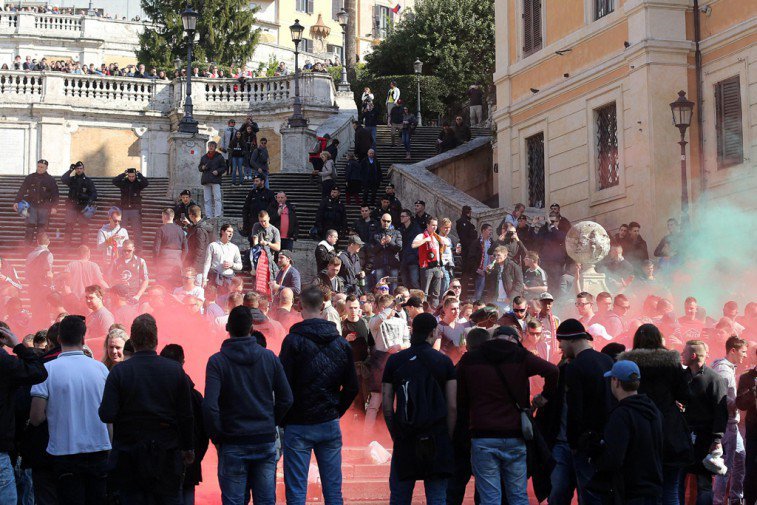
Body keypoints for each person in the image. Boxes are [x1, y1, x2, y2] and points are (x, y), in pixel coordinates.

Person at [98, 314, 194, 504]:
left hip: (129, 456)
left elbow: (106, 414)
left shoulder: (119, 372)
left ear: (132, 340)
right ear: (156, 340)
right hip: (166, 455)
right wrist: (187, 448)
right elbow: (186, 415)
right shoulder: (175, 371)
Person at [457, 325, 558, 505]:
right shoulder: (519, 355)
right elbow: (553, 371)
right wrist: (544, 397)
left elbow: (459, 397)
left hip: (482, 434)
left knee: (490, 497)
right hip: (515, 434)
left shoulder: (470, 358)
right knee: (517, 495)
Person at [204, 306, 293, 504]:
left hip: (232, 441)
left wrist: (218, 436)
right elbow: (286, 398)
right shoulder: (269, 357)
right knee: (265, 500)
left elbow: (210, 406)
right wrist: (271, 422)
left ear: (227, 328)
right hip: (263, 440)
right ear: (252, 329)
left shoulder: (217, 362)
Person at [279, 287, 358, 505]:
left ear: (299, 307)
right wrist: (335, 410)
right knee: (333, 491)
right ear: (323, 307)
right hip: (328, 421)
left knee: (296, 492)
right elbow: (352, 386)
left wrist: (284, 417)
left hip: (298, 422)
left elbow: (282, 384)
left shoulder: (292, 341)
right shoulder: (341, 343)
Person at [29, 315, 111, 504]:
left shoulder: (47, 370)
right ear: (83, 339)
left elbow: (36, 417)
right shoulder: (101, 370)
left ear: (58, 339)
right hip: (98, 450)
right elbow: (109, 416)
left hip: (64, 453)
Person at [381, 313, 458, 504]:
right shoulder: (445, 362)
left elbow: (387, 405)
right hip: (437, 435)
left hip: (406, 435)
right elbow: (452, 406)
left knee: (400, 496)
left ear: (413, 330)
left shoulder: (395, 361)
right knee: (437, 497)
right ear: (433, 332)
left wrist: (395, 433)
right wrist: (447, 436)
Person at [618, 324, 693, 505]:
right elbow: (685, 395)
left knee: (642, 491)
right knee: (670, 488)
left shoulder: (628, 364)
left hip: (638, 429)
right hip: (669, 431)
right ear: (659, 339)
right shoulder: (671, 362)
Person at [556, 319, 614, 505]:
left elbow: (575, 408)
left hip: (585, 442)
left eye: (561, 342)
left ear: (571, 339)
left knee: (587, 494)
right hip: (607, 438)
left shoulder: (575, 367)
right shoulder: (607, 360)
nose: (560, 346)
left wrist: (573, 441)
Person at [590, 360, 664, 505]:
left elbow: (614, 458)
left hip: (630, 492)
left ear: (616, 381)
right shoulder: (653, 409)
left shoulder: (621, 415)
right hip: (653, 488)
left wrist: (595, 458)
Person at [680, 340, 728, 505]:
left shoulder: (714, 379)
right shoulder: (682, 377)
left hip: (704, 438)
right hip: (682, 437)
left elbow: (721, 412)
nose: (681, 355)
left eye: (684, 352)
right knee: (678, 479)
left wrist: (716, 440)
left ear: (693, 356)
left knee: (704, 482)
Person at [711, 336, 748, 505]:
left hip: (730, 424)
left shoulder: (726, 368)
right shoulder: (725, 372)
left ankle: (735, 498)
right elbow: (725, 402)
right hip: (728, 425)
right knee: (725, 468)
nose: (745, 355)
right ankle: (719, 501)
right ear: (733, 350)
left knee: (740, 459)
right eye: (743, 351)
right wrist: (745, 399)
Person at [14, 159, 59, 245]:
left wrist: (54, 207)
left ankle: (41, 248)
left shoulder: (50, 180)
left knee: (41, 229)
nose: (39, 168)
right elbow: (22, 190)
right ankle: (27, 248)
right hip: (32, 206)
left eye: (42, 167)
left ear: (46, 168)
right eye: (38, 166)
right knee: (30, 227)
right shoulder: (30, 177)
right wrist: (17, 201)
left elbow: (55, 194)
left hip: (45, 207)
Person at [736, 345, 757, 505]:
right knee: (752, 469)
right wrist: (753, 391)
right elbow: (741, 404)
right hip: (754, 431)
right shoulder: (747, 378)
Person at [61, 161, 97, 246]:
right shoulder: (72, 180)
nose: (79, 170)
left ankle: (84, 247)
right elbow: (63, 179)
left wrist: (90, 200)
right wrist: (70, 170)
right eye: (77, 168)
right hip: (72, 208)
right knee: (68, 228)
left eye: (80, 168)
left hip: (83, 208)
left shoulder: (88, 181)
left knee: (84, 229)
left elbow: (94, 193)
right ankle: (66, 248)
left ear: (83, 169)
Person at [112, 168, 149, 250]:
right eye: (129, 176)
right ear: (127, 175)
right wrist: (123, 174)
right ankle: (120, 249)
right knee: (121, 230)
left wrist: (139, 174)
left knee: (137, 232)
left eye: (133, 176)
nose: (131, 178)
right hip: (124, 210)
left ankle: (138, 251)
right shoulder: (123, 183)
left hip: (135, 210)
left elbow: (146, 183)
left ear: (135, 175)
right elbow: (114, 181)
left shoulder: (138, 183)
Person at [412, 217, 445, 308]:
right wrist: (424, 240)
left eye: (436, 225)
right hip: (426, 267)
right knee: (424, 293)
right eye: (433, 225)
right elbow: (414, 245)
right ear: (428, 225)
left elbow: (439, 254)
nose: (435, 227)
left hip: (437, 267)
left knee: (436, 293)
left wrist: (440, 268)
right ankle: (423, 310)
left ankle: (434, 311)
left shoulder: (436, 237)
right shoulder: (422, 235)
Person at [483, 245, 525, 311]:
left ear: (505, 256)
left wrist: (511, 298)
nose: (496, 257)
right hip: (494, 300)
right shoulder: (494, 266)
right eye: (495, 255)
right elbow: (489, 284)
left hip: (507, 301)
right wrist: (488, 273)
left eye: (498, 255)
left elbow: (519, 284)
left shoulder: (514, 266)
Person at [202, 224, 243, 292]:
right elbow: (207, 264)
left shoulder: (234, 247)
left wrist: (232, 265)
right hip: (215, 279)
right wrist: (204, 279)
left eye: (232, 232)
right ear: (222, 232)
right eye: (229, 231)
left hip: (229, 280)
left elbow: (240, 266)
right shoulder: (213, 245)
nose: (231, 234)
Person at [153, 208, 188, 285]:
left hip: (163, 262)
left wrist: (156, 262)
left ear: (165, 216)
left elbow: (156, 249)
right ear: (173, 216)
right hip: (177, 263)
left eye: (162, 216)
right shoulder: (181, 230)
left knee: (162, 286)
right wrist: (181, 261)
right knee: (175, 286)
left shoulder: (161, 230)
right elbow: (186, 249)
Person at [371, 213, 402, 289]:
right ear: (381, 220)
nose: (386, 223)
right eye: (384, 221)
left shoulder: (396, 233)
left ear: (391, 222)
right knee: (380, 288)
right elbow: (372, 250)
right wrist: (380, 244)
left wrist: (390, 242)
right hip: (379, 265)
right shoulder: (375, 233)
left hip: (393, 265)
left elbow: (399, 248)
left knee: (394, 287)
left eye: (388, 221)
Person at [83, 285, 114, 360]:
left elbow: (107, 337)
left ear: (100, 298)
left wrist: (85, 342)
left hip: (100, 358)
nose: (88, 300)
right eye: (86, 297)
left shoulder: (105, 315)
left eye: (91, 298)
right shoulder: (91, 315)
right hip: (90, 355)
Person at [242, 174, 276, 241]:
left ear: (262, 181)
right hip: (253, 223)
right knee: (253, 245)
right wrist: (245, 223)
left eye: (257, 181)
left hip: (265, 224)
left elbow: (273, 208)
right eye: (254, 181)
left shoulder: (270, 193)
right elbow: (246, 209)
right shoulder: (251, 193)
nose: (255, 183)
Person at [199, 141, 226, 218]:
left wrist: (218, 171)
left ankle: (217, 215)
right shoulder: (204, 157)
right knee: (207, 199)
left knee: (217, 198)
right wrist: (202, 168)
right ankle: (209, 215)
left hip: (215, 180)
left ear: (215, 147)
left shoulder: (219, 157)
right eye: (209, 146)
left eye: (212, 146)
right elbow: (199, 167)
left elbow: (224, 167)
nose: (210, 147)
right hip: (206, 179)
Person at [185, 204, 212, 280]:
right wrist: (189, 225)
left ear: (191, 215)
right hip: (198, 265)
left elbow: (199, 250)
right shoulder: (201, 226)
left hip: (197, 268)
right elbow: (195, 229)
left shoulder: (199, 230)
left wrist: (194, 267)